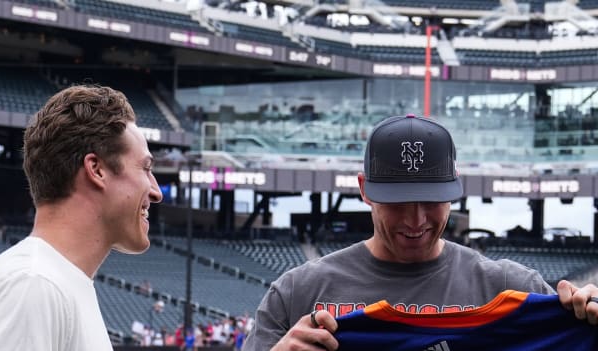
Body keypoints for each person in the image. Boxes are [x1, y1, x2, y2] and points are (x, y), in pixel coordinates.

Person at [242, 114, 598, 351]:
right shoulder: (296, 292)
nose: (416, 220)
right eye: (397, 202)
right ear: (364, 190)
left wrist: (586, 320)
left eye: (431, 201)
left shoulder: (514, 289)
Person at [0, 85, 163, 350]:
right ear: (96, 170)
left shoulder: (56, 282)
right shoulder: (35, 285)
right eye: (145, 168)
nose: (156, 192)